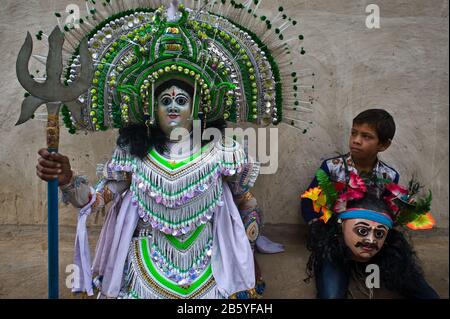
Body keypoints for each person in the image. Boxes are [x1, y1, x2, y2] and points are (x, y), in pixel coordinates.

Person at [33, 1, 298, 299]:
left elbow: (245, 204)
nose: (173, 106)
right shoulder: (132, 154)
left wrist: (248, 253)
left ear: (197, 108)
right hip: (145, 265)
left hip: (212, 266)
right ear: (150, 108)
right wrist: (68, 179)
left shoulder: (224, 152)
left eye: (182, 100)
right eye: (166, 100)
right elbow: (95, 202)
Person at [301, 163, 439, 299]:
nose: (371, 240)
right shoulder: (332, 166)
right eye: (362, 231)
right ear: (341, 226)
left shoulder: (389, 174)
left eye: (379, 234)